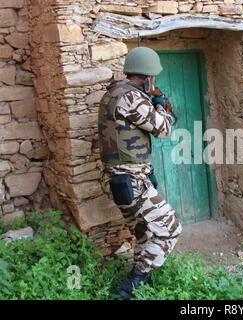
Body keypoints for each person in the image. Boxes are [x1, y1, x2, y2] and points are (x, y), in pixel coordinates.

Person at [98, 47, 182, 299]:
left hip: (118, 178)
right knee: (170, 229)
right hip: (130, 180)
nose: (154, 82)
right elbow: (164, 129)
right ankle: (133, 284)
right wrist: (162, 107)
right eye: (153, 77)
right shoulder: (132, 98)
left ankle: (137, 286)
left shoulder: (112, 93)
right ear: (147, 77)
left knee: (144, 232)